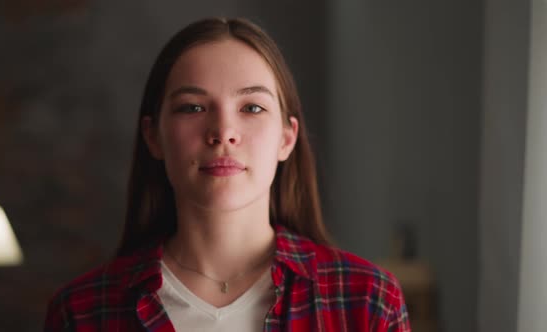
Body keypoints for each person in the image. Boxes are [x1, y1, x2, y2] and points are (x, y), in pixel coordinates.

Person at [44, 17, 410, 332]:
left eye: (252, 107)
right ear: (153, 136)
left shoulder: (366, 301)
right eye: (193, 107)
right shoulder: (82, 313)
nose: (223, 131)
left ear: (287, 139)